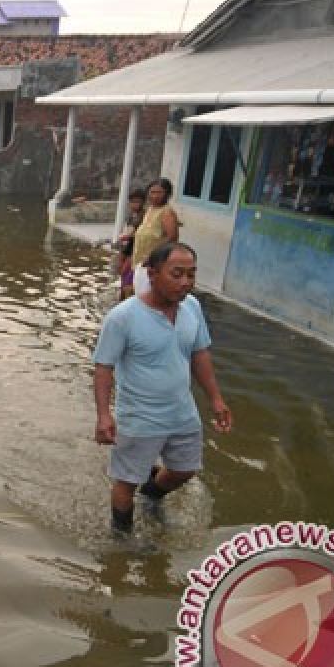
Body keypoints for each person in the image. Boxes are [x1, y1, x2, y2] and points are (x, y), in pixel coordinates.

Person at [92, 241, 232, 536]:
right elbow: (104, 368)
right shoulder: (123, 318)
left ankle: (152, 495)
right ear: (152, 274)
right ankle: (122, 537)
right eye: (177, 274)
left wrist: (216, 400)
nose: (186, 283)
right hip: (140, 416)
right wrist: (104, 416)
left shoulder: (192, 307)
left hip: (182, 411)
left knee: (185, 470)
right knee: (126, 481)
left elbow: (200, 354)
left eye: (191, 275)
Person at [130, 178, 179, 297]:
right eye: (152, 192)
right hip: (141, 260)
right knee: (139, 293)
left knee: (148, 295)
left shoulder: (166, 212)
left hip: (153, 263)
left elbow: (172, 237)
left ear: (167, 194)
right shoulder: (150, 209)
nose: (155, 196)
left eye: (159, 192)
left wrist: (153, 256)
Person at [115, 189, 146, 300]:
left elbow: (138, 236)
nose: (135, 204)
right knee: (122, 273)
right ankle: (123, 297)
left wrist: (129, 237)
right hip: (126, 249)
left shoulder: (144, 217)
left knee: (127, 275)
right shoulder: (132, 216)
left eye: (138, 202)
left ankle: (127, 299)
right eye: (132, 202)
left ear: (143, 202)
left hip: (134, 250)